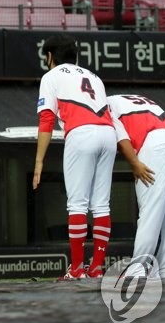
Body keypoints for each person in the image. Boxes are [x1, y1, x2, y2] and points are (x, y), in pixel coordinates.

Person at [33, 34, 117, 280]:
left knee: (77, 204)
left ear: (50, 56)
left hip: (81, 134)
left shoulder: (51, 76)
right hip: (108, 133)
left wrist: (39, 161)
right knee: (101, 205)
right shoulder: (94, 77)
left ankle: (77, 269)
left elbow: (47, 119)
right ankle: (96, 268)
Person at [109, 93, 165, 278]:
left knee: (150, 213)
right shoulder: (137, 98)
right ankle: (164, 270)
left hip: (156, 144)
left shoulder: (104, 103)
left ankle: (138, 269)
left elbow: (121, 137)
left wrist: (135, 163)